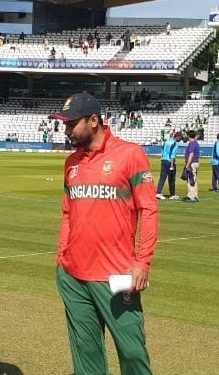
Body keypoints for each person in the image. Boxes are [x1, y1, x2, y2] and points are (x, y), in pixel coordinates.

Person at [49, 92, 158, 375]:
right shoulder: (71, 163)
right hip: (74, 276)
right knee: (86, 357)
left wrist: (142, 262)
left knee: (133, 353)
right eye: (64, 124)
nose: (67, 130)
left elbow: (148, 210)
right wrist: (62, 258)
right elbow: (67, 213)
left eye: (72, 123)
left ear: (94, 121)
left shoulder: (130, 154)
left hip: (117, 276)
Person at [156, 131, 183, 200]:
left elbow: (163, 149)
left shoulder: (167, 141)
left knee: (162, 177)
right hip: (169, 161)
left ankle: (158, 193)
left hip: (163, 160)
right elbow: (172, 155)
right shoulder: (175, 143)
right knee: (172, 178)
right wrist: (172, 165)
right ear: (177, 137)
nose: (180, 140)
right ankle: (172, 194)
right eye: (180, 138)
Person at [183, 130, 200, 202]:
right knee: (194, 180)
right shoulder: (195, 143)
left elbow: (191, 154)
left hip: (192, 163)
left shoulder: (192, 143)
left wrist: (187, 164)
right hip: (195, 163)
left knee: (190, 180)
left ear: (189, 136)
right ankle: (195, 195)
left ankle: (191, 196)